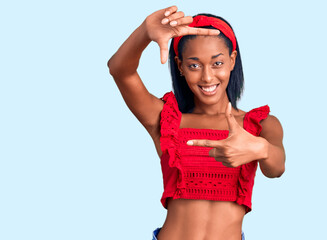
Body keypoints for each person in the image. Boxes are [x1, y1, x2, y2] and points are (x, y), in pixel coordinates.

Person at [107, 5, 285, 240]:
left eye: (217, 63)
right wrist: (144, 31)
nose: (207, 76)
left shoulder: (261, 124)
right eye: (194, 65)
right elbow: (120, 71)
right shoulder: (165, 119)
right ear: (180, 66)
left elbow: (276, 168)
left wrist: (259, 148)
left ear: (232, 60)